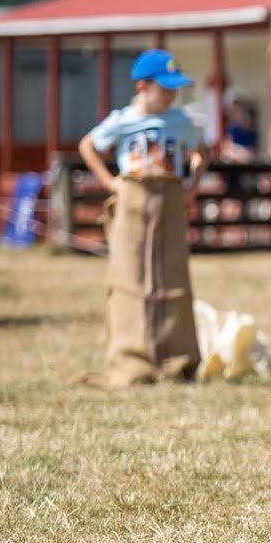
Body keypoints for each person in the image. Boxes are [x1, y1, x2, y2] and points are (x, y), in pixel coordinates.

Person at [78, 49, 207, 384]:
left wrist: (192, 185)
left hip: (169, 205)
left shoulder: (180, 122)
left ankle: (176, 357)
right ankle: (132, 360)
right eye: (165, 88)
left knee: (171, 276)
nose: (171, 95)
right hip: (133, 206)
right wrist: (110, 182)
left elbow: (200, 152)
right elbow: (88, 145)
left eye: (174, 89)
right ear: (142, 86)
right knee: (131, 277)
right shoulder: (123, 120)